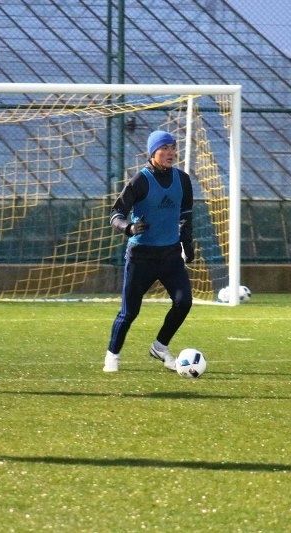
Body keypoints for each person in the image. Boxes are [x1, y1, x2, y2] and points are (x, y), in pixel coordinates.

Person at [104, 130, 195, 373]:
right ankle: (112, 355)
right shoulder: (140, 180)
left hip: (170, 255)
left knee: (184, 302)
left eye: (173, 147)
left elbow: (186, 214)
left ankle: (160, 347)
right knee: (129, 312)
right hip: (141, 257)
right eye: (164, 148)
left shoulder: (183, 180)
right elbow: (116, 214)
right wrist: (129, 227)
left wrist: (187, 243)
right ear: (153, 152)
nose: (170, 152)